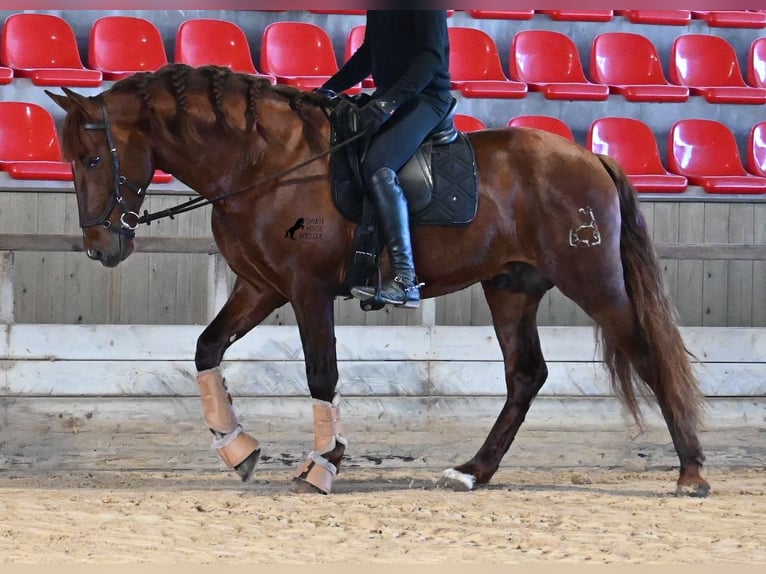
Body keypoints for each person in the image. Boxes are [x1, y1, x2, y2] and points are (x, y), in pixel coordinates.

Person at [316, 10, 453, 309]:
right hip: (392, 95)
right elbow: (369, 52)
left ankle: (405, 280)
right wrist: (328, 89)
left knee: (379, 167)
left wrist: (390, 102)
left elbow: (431, 59)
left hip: (427, 99)